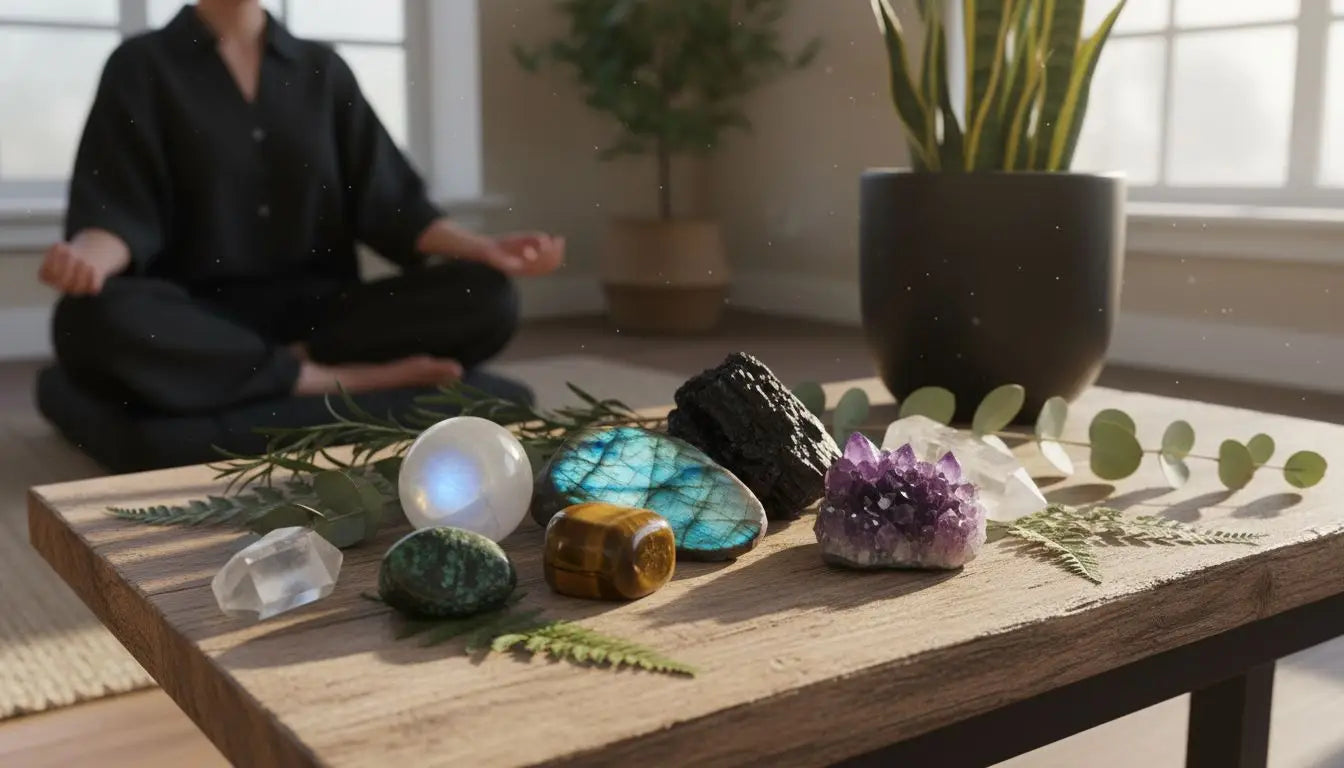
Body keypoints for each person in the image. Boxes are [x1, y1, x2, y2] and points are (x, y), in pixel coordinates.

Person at [37, 0, 563, 418]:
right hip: (197, 316)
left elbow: (393, 202)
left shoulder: (322, 70)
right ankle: (327, 379)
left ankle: (270, 367)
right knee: (87, 319)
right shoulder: (140, 65)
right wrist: (86, 259)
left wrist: (485, 249)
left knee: (488, 296)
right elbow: (117, 210)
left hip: (325, 317)